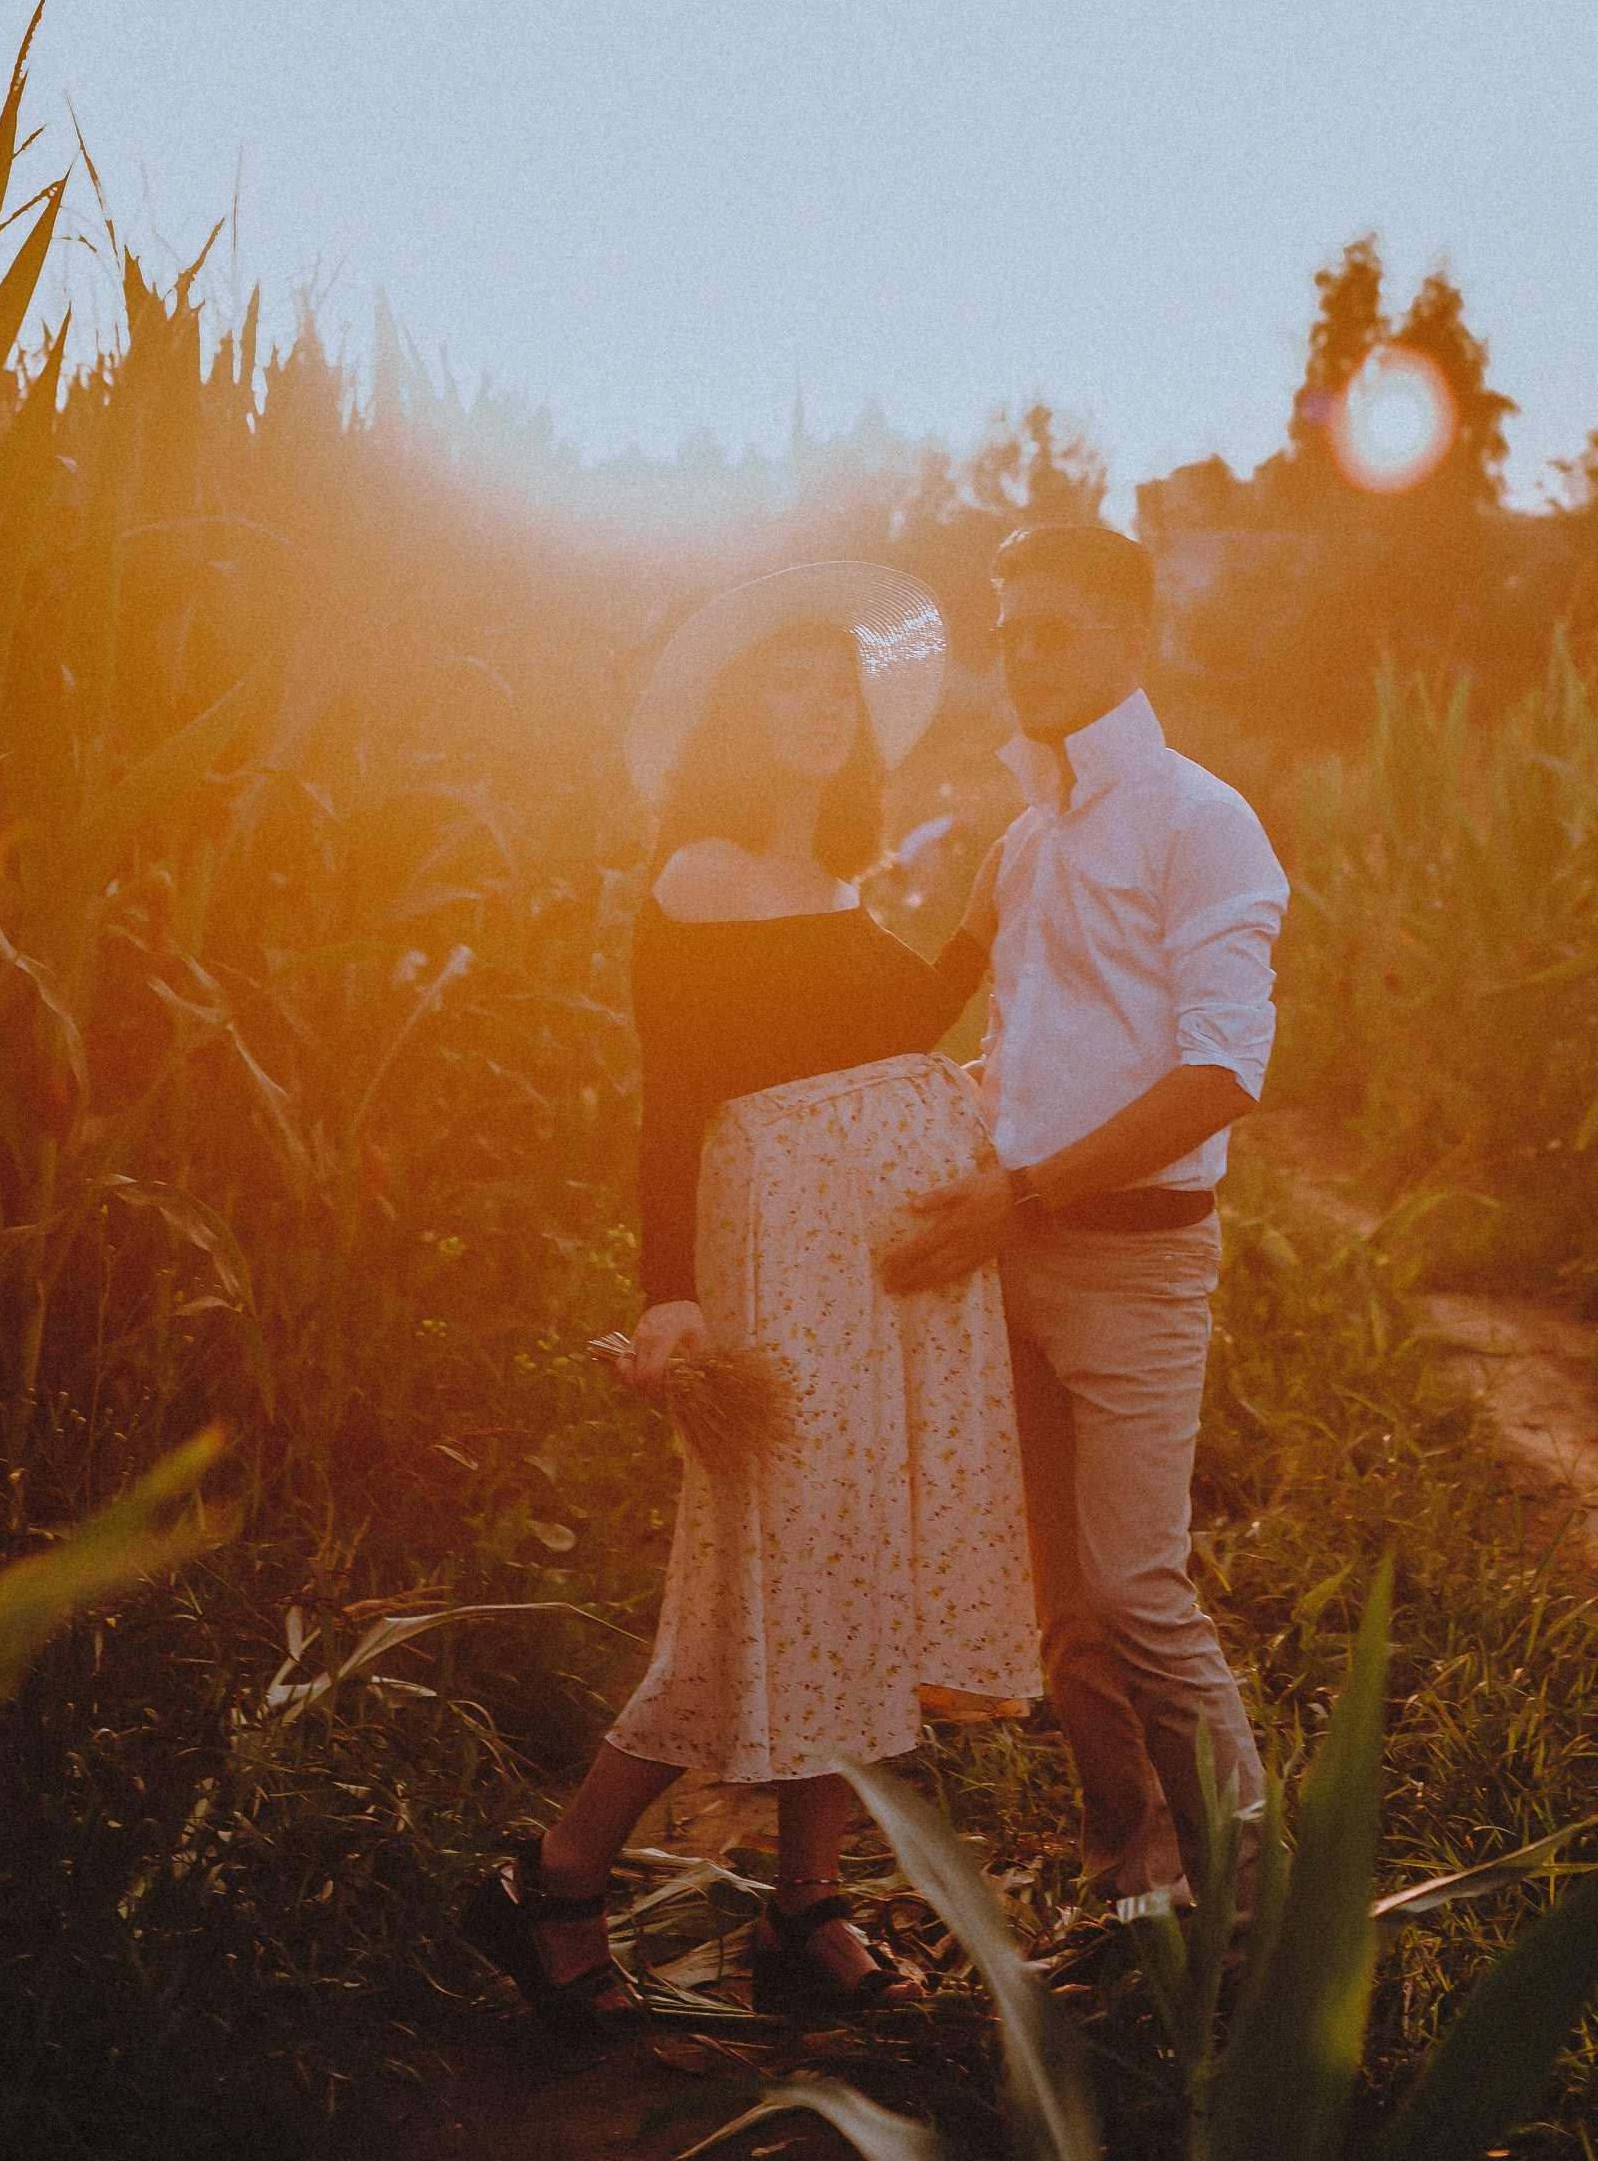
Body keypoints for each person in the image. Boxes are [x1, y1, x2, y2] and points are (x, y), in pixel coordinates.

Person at [462, 560, 1040, 2032]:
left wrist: (977, 915)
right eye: (787, 684)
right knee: (772, 1562)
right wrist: (667, 1297)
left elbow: (897, 1024)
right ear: (738, 710)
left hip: (874, 1266)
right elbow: (671, 1108)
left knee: (852, 1549)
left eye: (835, 687)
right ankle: (562, 1871)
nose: (817, 708)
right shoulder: (701, 871)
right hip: (778, 1256)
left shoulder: (831, 881)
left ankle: (807, 1901)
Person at [882, 520, 1285, 1912]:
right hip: (1015, 1260)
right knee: (1065, 1623)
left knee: (1137, 1597)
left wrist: (1030, 1191)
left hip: (1133, 1268)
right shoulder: (1024, 839)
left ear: (1134, 640)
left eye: (1054, 629)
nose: (1023, 658)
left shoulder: (1199, 820)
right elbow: (947, 1024)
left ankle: (1251, 1909)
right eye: (1008, 634)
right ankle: (1136, 1881)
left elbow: (1226, 1072)